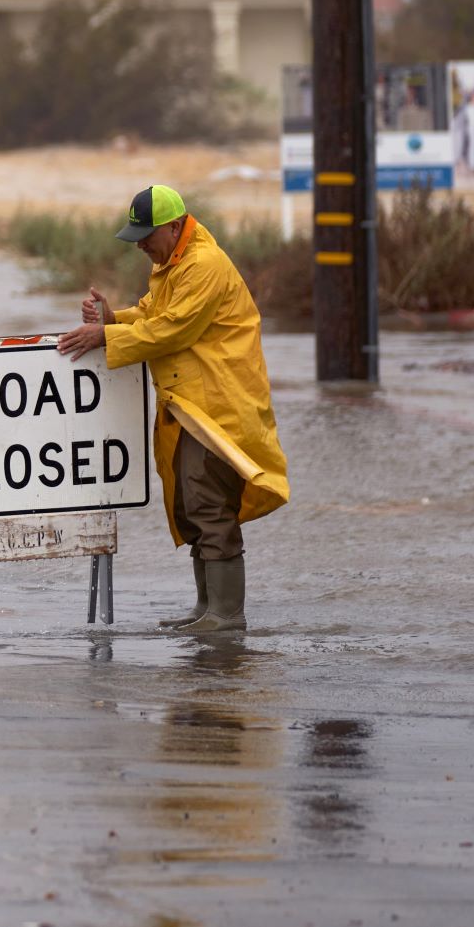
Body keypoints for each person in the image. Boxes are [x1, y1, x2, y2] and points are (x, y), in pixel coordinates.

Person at [57, 185, 289, 634]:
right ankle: (207, 608)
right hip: (189, 406)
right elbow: (152, 312)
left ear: (175, 226)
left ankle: (226, 615)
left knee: (210, 506)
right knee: (191, 504)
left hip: (216, 409)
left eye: (146, 235)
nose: (140, 244)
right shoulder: (174, 264)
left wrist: (104, 337)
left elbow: (173, 330)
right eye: (135, 236)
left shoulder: (204, 265)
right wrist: (113, 318)